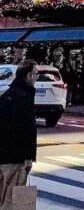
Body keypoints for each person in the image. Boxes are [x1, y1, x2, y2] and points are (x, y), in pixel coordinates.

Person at [0, 60, 37, 205]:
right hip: (15, 158)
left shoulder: (6, 95)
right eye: (35, 74)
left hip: (3, 156)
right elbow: (25, 129)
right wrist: (28, 157)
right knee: (12, 202)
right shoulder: (23, 98)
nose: (36, 77)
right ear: (28, 76)